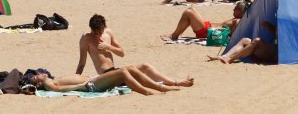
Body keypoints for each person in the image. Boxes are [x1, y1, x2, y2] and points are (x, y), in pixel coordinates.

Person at [75, 14, 193, 88]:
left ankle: (176, 82)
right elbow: (82, 63)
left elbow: (122, 53)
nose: (98, 35)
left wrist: (109, 47)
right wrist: (75, 78)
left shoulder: (108, 33)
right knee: (138, 76)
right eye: (95, 32)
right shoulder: (86, 39)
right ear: (91, 29)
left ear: (104, 27)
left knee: (145, 66)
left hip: (116, 71)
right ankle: (177, 83)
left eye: (100, 31)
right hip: (106, 75)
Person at [30, 67, 188, 96]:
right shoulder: (49, 84)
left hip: (92, 80)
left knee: (131, 68)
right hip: (90, 86)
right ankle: (148, 91)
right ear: (38, 83)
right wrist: (81, 86)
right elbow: (59, 90)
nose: (38, 74)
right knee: (123, 72)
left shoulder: (53, 78)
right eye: (36, 76)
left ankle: (159, 87)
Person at [161, 1, 247, 41]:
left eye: (235, 8)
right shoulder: (235, 19)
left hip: (208, 31)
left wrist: (218, 37)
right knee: (191, 9)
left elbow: (232, 37)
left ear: (241, 11)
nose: (233, 10)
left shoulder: (238, 21)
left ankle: (174, 35)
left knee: (188, 12)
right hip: (207, 28)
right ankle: (175, 34)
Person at [207, 21, 277, 64]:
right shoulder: (281, 19)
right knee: (245, 40)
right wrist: (269, 26)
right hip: (273, 48)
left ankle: (230, 59)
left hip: (278, 53)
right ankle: (224, 56)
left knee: (257, 41)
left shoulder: (286, 20)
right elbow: (277, 33)